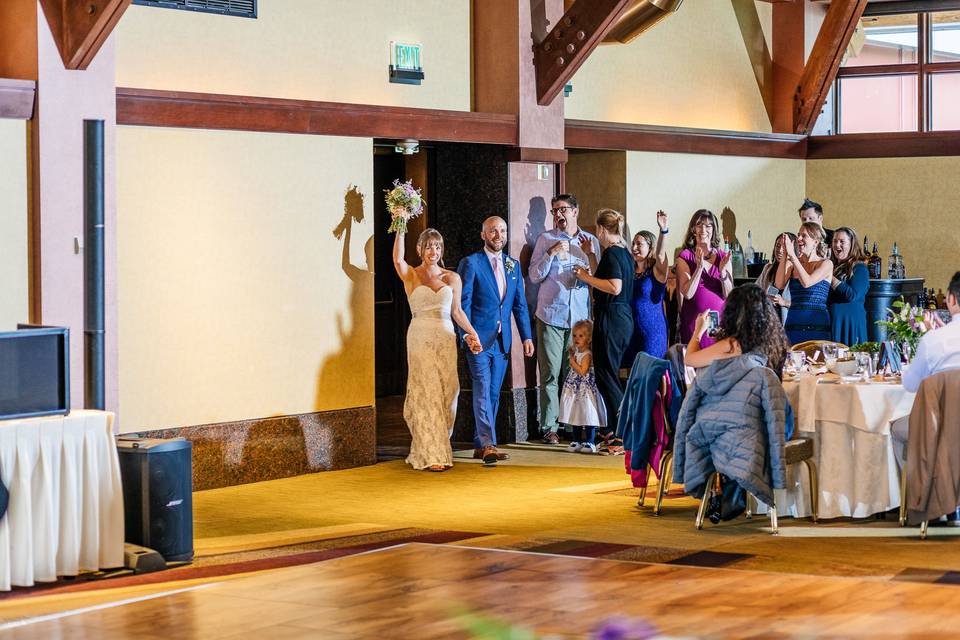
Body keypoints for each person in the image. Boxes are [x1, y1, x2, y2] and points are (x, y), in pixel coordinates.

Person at [673, 284, 791, 523]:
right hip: (772, 423)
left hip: (737, 423)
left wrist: (698, 331)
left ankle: (729, 490)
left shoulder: (733, 345)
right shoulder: (773, 343)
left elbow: (690, 359)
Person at [392, 227, 483, 471]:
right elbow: (397, 259)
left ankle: (437, 443)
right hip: (420, 336)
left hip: (445, 338)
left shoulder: (451, 278)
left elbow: (457, 312)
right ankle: (432, 453)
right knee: (427, 390)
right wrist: (401, 224)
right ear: (420, 249)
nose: (434, 251)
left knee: (448, 391)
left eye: (438, 246)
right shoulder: (411, 275)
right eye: (429, 246)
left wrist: (472, 334)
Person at [458, 216, 535, 465]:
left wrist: (527, 337)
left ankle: (481, 444)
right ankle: (489, 444)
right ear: (483, 235)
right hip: (478, 340)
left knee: (493, 393)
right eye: (492, 231)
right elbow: (463, 304)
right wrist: (467, 335)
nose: (498, 235)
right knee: (481, 388)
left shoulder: (512, 265)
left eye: (502, 230)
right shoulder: (471, 263)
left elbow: (519, 306)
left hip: (503, 342)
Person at [527, 194, 600, 445]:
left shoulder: (589, 241)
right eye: (554, 210)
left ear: (575, 211)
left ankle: (573, 425)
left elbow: (597, 277)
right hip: (551, 314)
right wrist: (550, 253)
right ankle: (549, 426)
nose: (559, 215)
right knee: (549, 375)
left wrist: (589, 261)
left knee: (576, 373)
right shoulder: (545, 239)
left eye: (563, 210)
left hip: (579, 319)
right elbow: (535, 276)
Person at [892, 272, 960, 520]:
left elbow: (910, 384)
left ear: (951, 299)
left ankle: (923, 502)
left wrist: (931, 336)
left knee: (895, 430)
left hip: (938, 427)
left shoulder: (933, 340)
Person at [573, 208, 634, 455]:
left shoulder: (612, 253)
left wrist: (585, 277)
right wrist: (590, 256)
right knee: (608, 373)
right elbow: (606, 277)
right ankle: (613, 430)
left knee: (607, 376)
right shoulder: (624, 253)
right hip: (622, 317)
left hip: (612, 317)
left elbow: (613, 286)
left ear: (600, 229)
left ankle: (620, 435)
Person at [676, 209, 732, 347]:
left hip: (717, 320)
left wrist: (723, 273)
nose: (703, 230)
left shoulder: (722, 257)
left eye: (708, 226)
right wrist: (699, 267)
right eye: (699, 225)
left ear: (713, 230)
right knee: (693, 362)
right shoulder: (685, 256)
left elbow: (729, 295)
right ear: (693, 229)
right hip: (694, 320)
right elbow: (687, 293)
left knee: (715, 363)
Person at [623, 211, 670, 366]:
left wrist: (663, 231)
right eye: (633, 244)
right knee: (632, 378)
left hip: (652, 333)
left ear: (650, 247)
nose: (634, 247)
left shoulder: (656, 271)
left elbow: (661, 256)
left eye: (639, 244)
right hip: (631, 332)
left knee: (651, 376)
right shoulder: (628, 271)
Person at [776, 222, 833, 345]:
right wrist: (786, 254)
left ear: (816, 241)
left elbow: (807, 282)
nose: (799, 239)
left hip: (817, 324)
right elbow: (779, 284)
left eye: (804, 236)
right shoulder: (793, 264)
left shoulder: (826, 264)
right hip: (793, 323)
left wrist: (793, 256)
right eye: (798, 235)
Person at [559, 319, 607, 455]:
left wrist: (572, 361)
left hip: (585, 390)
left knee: (587, 413)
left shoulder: (587, 354)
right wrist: (572, 355)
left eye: (581, 336)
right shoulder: (577, 352)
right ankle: (576, 440)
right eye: (574, 335)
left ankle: (590, 441)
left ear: (589, 338)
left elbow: (582, 371)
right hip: (575, 389)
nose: (576, 339)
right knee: (576, 413)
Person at [828, 227, 869, 346]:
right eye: (835, 241)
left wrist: (829, 276)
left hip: (850, 324)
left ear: (852, 244)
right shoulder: (832, 266)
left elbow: (852, 295)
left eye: (842, 241)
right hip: (833, 323)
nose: (837, 245)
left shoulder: (859, 268)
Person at [755, 233, 796, 325]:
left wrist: (784, 302)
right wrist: (764, 297)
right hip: (768, 320)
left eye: (784, 247)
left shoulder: (796, 271)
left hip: (788, 321)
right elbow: (755, 291)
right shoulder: (768, 268)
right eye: (777, 246)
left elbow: (803, 303)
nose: (780, 250)